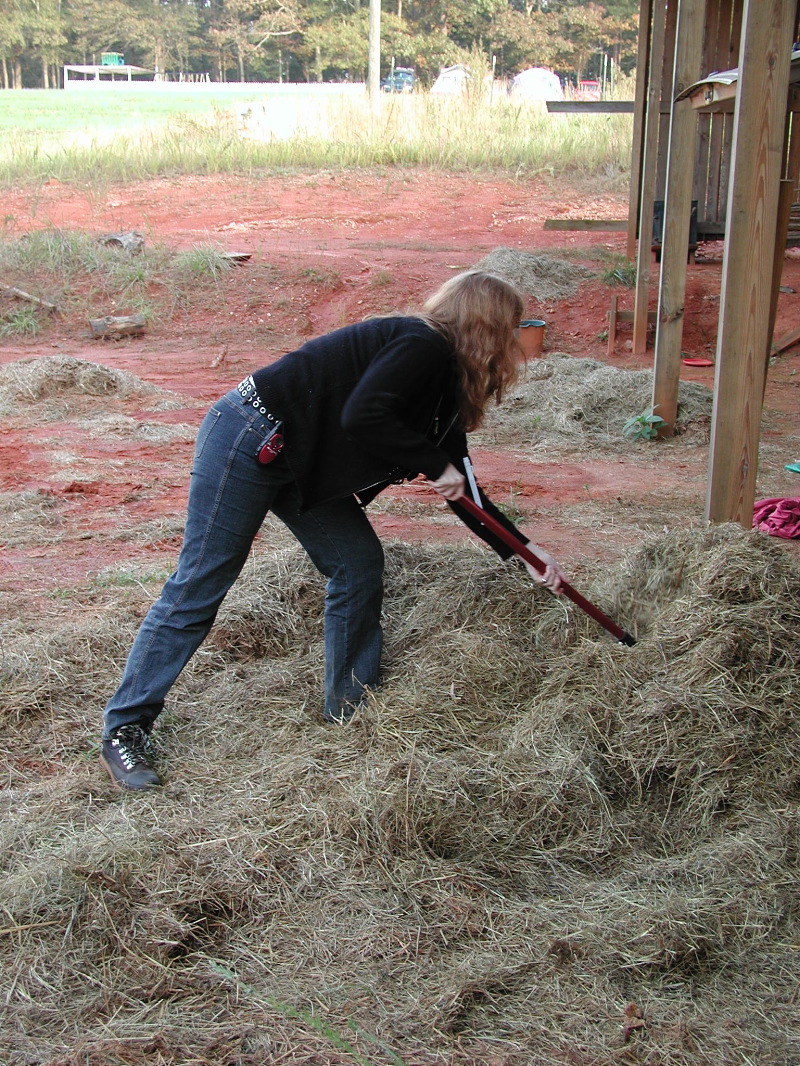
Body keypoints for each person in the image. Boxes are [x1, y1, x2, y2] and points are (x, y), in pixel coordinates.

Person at [99, 270, 566, 790]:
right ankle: (125, 728)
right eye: (511, 328)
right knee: (202, 580)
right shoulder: (421, 344)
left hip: (300, 459)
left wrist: (525, 552)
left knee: (356, 562)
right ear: (488, 326)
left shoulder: (442, 387)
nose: (514, 344)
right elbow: (364, 415)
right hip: (249, 436)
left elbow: (466, 490)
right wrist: (433, 464)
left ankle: (350, 704)